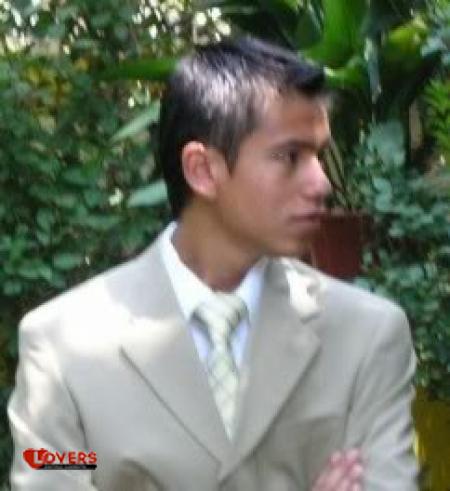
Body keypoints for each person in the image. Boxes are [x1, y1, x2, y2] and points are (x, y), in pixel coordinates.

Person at [8, 37, 418, 490]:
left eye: (319, 155)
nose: (321, 183)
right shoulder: (63, 346)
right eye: (290, 157)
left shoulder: (368, 337)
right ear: (202, 170)